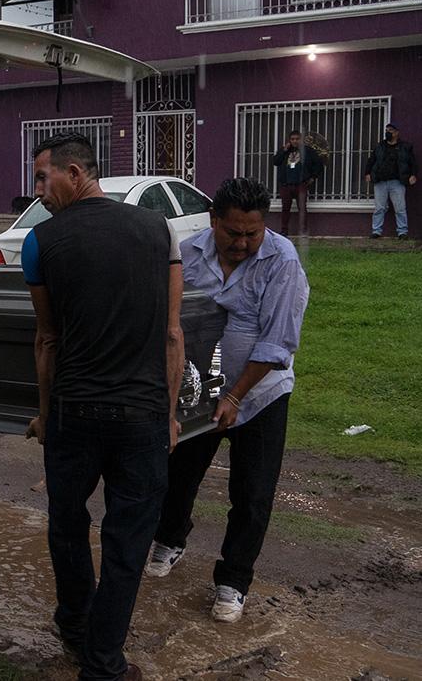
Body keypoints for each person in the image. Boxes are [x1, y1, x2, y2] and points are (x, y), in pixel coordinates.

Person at [22, 133, 184, 681]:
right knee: (127, 542)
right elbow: (170, 334)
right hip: (140, 417)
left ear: (75, 172)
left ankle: (74, 624)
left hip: (74, 412)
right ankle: (103, 662)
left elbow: (47, 339)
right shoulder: (158, 230)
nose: (38, 191)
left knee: (67, 524)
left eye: (44, 178)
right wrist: (167, 414)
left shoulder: (39, 241)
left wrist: (46, 414)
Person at [145, 178, 309, 625]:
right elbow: (169, 316)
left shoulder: (282, 261)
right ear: (213, 221)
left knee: (252, 493)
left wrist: (236, 394)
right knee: (178, 473)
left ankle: (233, 580)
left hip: (259, 396)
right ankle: (170, 539)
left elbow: (278, 344)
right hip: (197, 390)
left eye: (251, 234)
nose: (242, 243)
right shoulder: (189, 252)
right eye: (232, 232)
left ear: (264, 226)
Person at [363, 123, 418, 239]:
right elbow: (371, 160)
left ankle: (402, 232)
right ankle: (376, 231)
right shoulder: (380, 146)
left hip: (397, 182)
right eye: (387, 130)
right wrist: (367, 173)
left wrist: (413, 175)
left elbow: (412, 162)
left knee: (400, 208)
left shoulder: (405, 147)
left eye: (391, 130)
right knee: (379, 208)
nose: (388, 132)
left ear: (397, 133)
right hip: (380, 181)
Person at [271, 130, 323, 237]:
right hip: (286, 184)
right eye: (292, 139)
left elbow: (319, 164)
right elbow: (275, 162)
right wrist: (284, 150)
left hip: (301, 184)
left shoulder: (308, 151)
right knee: (285, 208)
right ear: (289, 140)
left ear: (301, 140)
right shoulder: (285, 151)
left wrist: (313, 177)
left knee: (302, 208)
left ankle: (303, 231)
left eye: (297, 139)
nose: (295, 141)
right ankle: (284, 231)